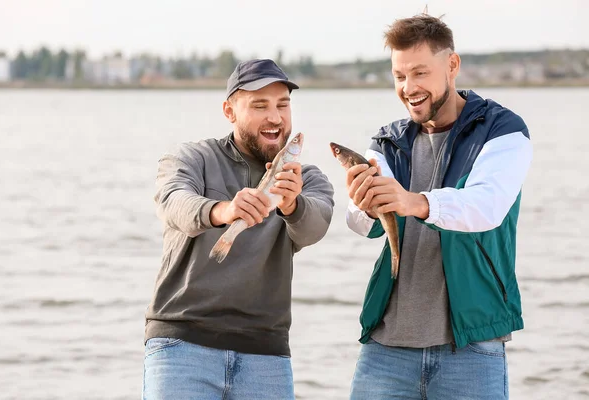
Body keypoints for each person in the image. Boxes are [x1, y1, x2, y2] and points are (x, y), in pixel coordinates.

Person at [344, 14, 532, 399]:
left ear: (452, 65)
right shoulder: (387, 142)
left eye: (419, 73)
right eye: (399, 76)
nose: (408, 88)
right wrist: (363, 205)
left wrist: (416, 202)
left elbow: (486, 206)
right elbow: (363, 225)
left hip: (472, 349)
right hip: (386, 348)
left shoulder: (502, 131)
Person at [142, 59, 334, 400]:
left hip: (267, 353)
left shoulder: (306, 179)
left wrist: (292, 205)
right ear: (229, 111)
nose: (275, 117)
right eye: (259, 105)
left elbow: (314, 227)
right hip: (182, 344)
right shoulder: (192, 158)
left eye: (282, 105)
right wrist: (222, 210)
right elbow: (173, 201)